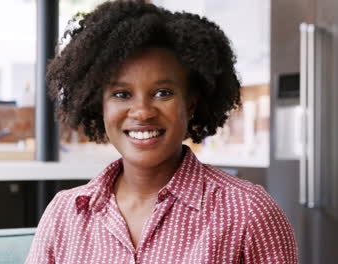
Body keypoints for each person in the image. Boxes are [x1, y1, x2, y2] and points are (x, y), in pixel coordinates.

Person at [25, 1, 298, 263]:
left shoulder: (249, 212)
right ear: (100, 106)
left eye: (162, 93)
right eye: (122, 94)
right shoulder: (65, 213)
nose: (142, 111)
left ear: (190, 103)